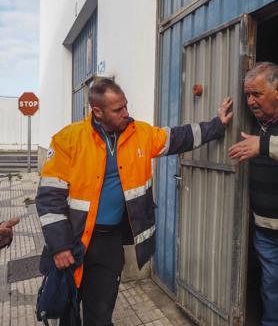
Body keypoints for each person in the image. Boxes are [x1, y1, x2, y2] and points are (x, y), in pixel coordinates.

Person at [36, 78, 233, 326]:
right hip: (73, 241)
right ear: (97, 111)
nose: (126, 113)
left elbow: (177, 137)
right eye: (118, 109)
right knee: (68, 311)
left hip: (109, 243)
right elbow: (48, 197)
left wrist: (217, 126)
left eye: (126, 106)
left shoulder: (139, 133)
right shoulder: (69, 139)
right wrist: (59, 246)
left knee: (100, 314)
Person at [229, 62, 278, 326]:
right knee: (270, 287)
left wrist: (263, 145)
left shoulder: (263, 134)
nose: (250, 101)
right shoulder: (258, 123)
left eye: (256, 94)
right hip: (265, 229)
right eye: (247, 95)